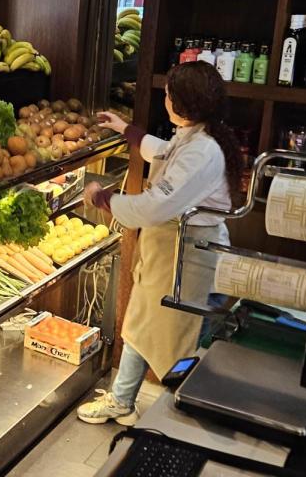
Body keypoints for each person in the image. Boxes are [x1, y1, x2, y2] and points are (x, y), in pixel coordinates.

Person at [76, 61, 242, 425]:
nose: (164, 97)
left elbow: (156, 205)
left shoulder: (204, 151)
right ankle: (122, 400)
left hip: (187, 255)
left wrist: (105, 201)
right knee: (140, 323)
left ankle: (183, 416)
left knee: (176, 339)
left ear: (180, 102)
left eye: (167, 93)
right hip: (169, 251)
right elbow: (165, 152)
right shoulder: (196, 137)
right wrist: (127, 131)